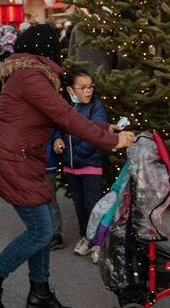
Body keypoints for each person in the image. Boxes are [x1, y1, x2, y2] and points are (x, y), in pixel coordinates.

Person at [0, 23, 135, 308]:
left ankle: (40, 293)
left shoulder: (32, 75)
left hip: (25, 157)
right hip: (12, 160)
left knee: (42, 230)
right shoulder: (31, 77)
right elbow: (66, 118)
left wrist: (105, 127)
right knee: (41, 230)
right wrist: (110, 141)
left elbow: (63, 116)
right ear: (47, 50)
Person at [50, 69, 108, 258]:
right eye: (82, 88)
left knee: (92, 204)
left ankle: (97, 242)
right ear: (70, 90)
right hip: (71, 167)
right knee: (79, 204)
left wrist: (75, 152)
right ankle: (85, 237)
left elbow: (95, 134)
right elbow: (58, 125)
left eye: (90, 87)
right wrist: (57, 139)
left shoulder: (95, 107)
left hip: (90, 164)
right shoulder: (66, 106)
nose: (88, 91)